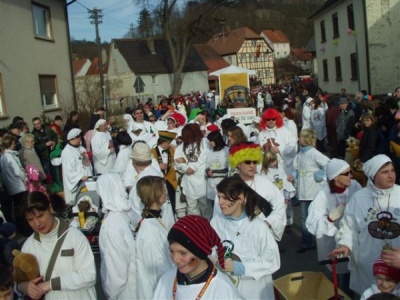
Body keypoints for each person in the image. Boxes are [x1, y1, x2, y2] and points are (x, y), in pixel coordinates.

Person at [330, 155, 400, 296]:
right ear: (373, 175)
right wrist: (345, 244)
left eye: (392, 170)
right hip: (368, 262)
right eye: (385, 172)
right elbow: (348, 227)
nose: (391, 175)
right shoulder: (359, 198)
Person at [211, 176, 280, 299]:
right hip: (225, 288)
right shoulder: (216, 222)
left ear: (241, 198)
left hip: (253, 290)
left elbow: (272, 261)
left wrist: (239, 267)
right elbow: (210, 250)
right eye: (219, 197)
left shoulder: (257, 227)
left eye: (225, 198)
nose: (220, 202)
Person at [17, 191, 96, 299]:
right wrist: (23, 287)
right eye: (30, 220)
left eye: (40, 216)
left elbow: (89, 276)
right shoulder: (29, 246)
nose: (37, 223)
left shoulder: (75, 237)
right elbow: (18, 281)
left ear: (50, 208)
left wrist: (49, 285)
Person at [153, 215, 243, 300]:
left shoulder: (222, 289)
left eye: (183, 253)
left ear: (200, 252)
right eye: (172, 251)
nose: (175, 259)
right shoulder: (166, 280)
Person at [306, 159, 362, 295]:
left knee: (352, 274)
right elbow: (311, 224)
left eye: (351, 172)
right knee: (336, 277)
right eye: (347, 173)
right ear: (336, 176)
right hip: (331, 242)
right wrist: (330, 219)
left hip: (351, 238)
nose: (351, 176)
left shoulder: (355, 186)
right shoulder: (323, 195)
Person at [215, 141, 286, 241]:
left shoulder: (266, 183)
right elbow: (219, 214)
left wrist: (267, 223)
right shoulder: (228, 186)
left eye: (255, 162)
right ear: (238, 164)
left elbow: (280, 205)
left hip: (263, 236)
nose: (252, 165)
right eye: (248, 162)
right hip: (237, 237)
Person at [97, 173, 136, 300]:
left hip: (124, 292)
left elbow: (117, 266)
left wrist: (111, 292)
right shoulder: (126, 213)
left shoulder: (112, 225)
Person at [135, 176, 175, 299]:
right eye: (162, 189)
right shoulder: (150, 231)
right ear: (155, 193)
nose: (165, 192)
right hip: (158, 291)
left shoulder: (155, 220)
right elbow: (158, 267)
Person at [291, 129, 330, 253]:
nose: (299, 139)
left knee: (315, 217)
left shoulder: (314, 153)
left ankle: (320, 241)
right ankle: (307, 242)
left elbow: (328, 164)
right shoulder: (300, 154)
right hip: (303, 192)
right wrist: (293, 174)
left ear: (307, 139)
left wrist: (320, 174)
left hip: (314, 191)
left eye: (301, 137)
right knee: (304, 218)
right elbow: (297, 167)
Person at [128, 141, 174, 228]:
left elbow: (136, 209)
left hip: (152, 226)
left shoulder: (144, 181)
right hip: (164, 223)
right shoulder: (156, 174)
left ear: (133, 162)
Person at [174, 123, 212, 219]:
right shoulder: (182, 146)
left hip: (203, 180)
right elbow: (177, 160)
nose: (187, 139)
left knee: (206, 208)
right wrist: (185, 168)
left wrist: (192, 167)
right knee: (192, 209)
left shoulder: (205, 142)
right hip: (189, 181)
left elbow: (204, 157)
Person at [0, 135, 28, 234]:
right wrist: (26, 179)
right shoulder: (10, 156)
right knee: (22, 209)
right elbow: (17, 171)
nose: (15, 144)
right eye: (13, 143)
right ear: (10, 144)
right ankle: (25, 229)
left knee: (18, 208)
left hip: (11, 186)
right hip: (18, 186)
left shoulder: (3, 156)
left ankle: (21, 228)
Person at [61, 128, 92, 205]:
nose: (80, 139)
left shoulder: (81, 148)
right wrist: (80, 176)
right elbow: (68, 170)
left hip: (87, 180)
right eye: (78, 137)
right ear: (73, 138)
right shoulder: (67, 152)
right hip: (77, 182)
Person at [151, 131, 178, 216]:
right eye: (168, 142)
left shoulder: (173, 150)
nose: (169, 144)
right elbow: (148, 166)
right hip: (158, 181)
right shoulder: (151, 152)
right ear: (162, 142)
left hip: (171, 181)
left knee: (173, 203)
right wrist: (158, 166)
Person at [206, 129, 229, 204]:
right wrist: (208, 171)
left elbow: (228, 169)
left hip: (222, 183)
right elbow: (207, 166)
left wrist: (215, 172)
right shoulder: (210, 152)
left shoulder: (226, 151)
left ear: (216, 140)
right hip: (211, 185)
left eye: (211, 141)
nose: (210, 143)